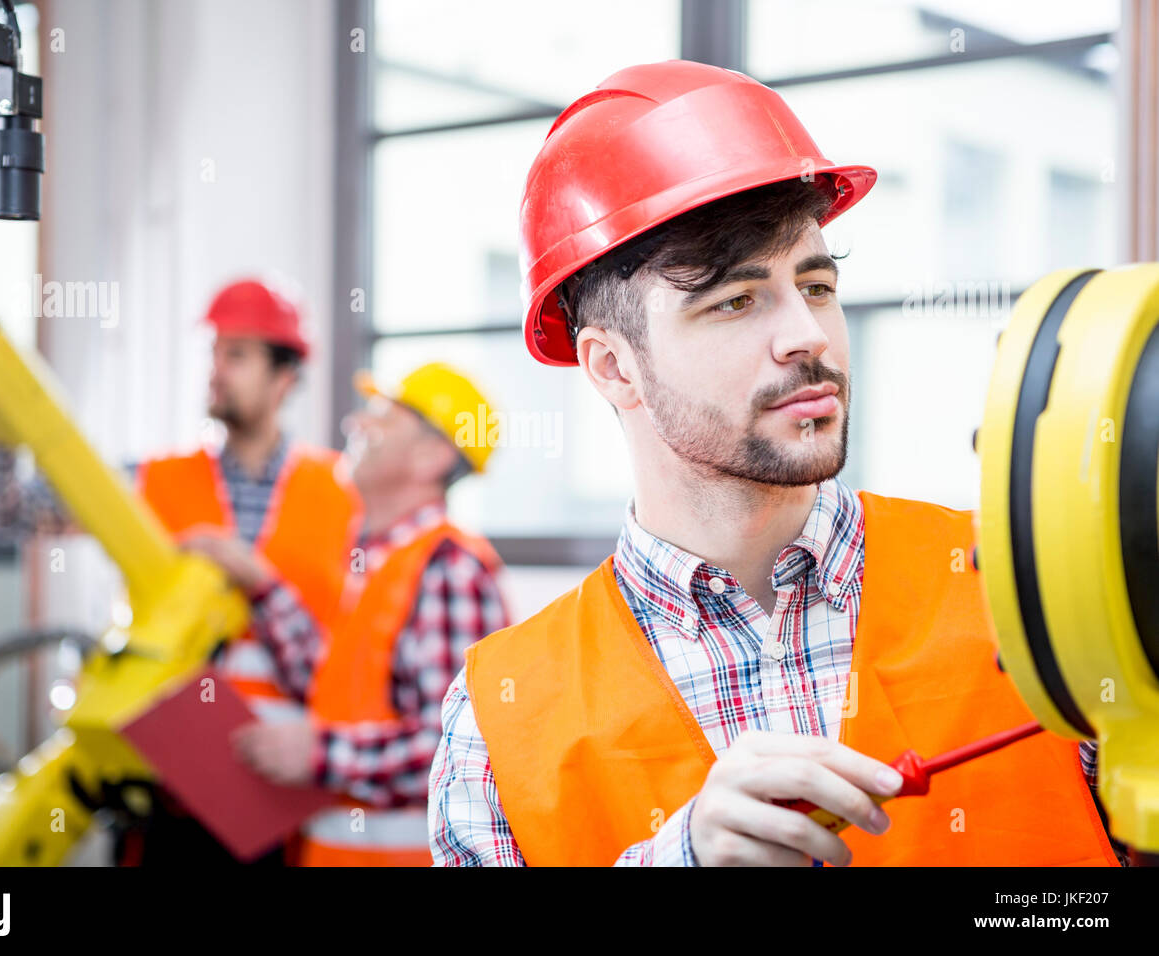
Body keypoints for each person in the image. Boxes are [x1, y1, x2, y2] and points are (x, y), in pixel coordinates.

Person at [428, 61, 1125, 867]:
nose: (810, 335)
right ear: (614, 368)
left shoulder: (1037, 590)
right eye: (736, 299)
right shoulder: (497, 720)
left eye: (817, 285)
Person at [0, 277, 359, 865]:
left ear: (284, 377)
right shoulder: (153, 481)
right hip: (158, 791)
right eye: (213, 352)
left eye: (236, 355)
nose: (215, 369)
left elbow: (356, 657)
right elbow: (5, 513)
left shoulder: (344, 495)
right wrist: (0, 426)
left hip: (274, 800)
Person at [225, 362, 510, 865]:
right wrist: (261, 585)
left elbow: (457, 748)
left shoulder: (451, 569)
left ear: (431, 455)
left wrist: (318, 754)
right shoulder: (375, 561)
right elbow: (327, 685)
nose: (356, 424)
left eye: (382, 415)